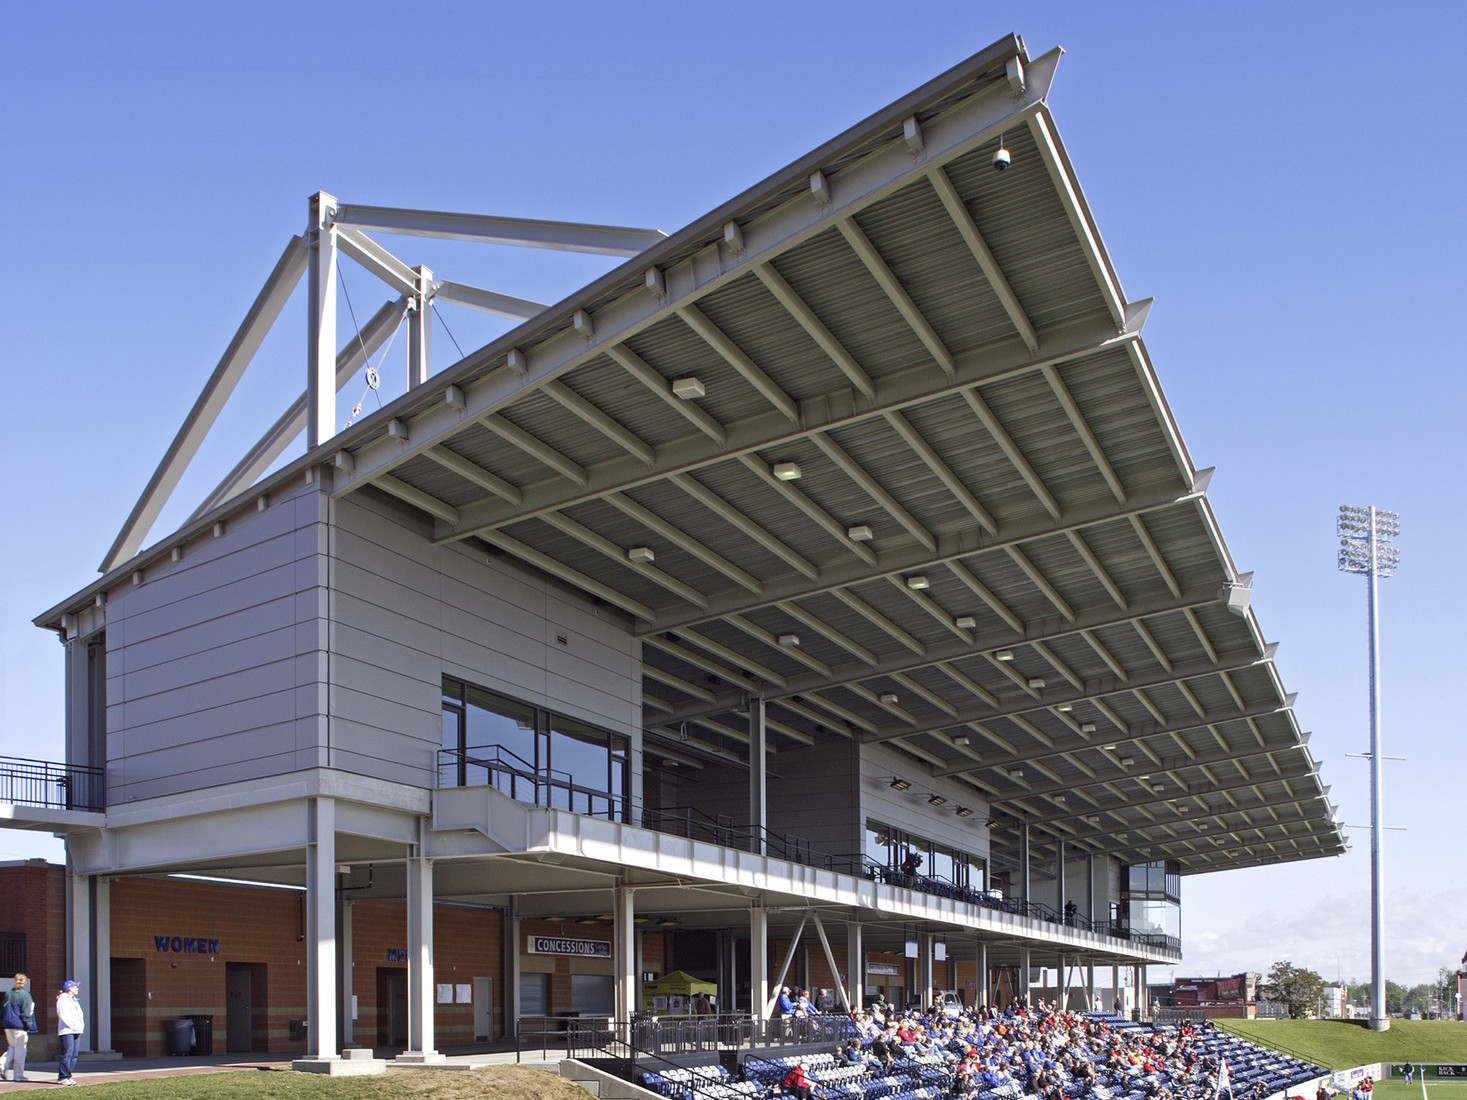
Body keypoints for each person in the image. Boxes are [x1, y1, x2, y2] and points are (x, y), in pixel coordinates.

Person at [0, 973, 37, 1083]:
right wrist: (28, 1024)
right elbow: (26, 1012)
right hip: (19, 1026)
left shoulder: (8, 993)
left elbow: (2, 1010)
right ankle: (18, 1075)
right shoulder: (25, 995)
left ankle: (2, 1064)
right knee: (20, 1050)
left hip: (7, 1025)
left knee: (12, 1047)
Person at [56, 980, 84, 1086]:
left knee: (74, 1055)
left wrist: (79, 1027)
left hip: (76, 1030)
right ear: (69, 988)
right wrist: (71, 1025)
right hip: (67, 1031)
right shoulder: (63, 999)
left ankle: (68, 1075)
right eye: (75, 986)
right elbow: (62, 1014)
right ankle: (63, 1076)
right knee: (67, 1054)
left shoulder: (74, 1000)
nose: (77, 988)